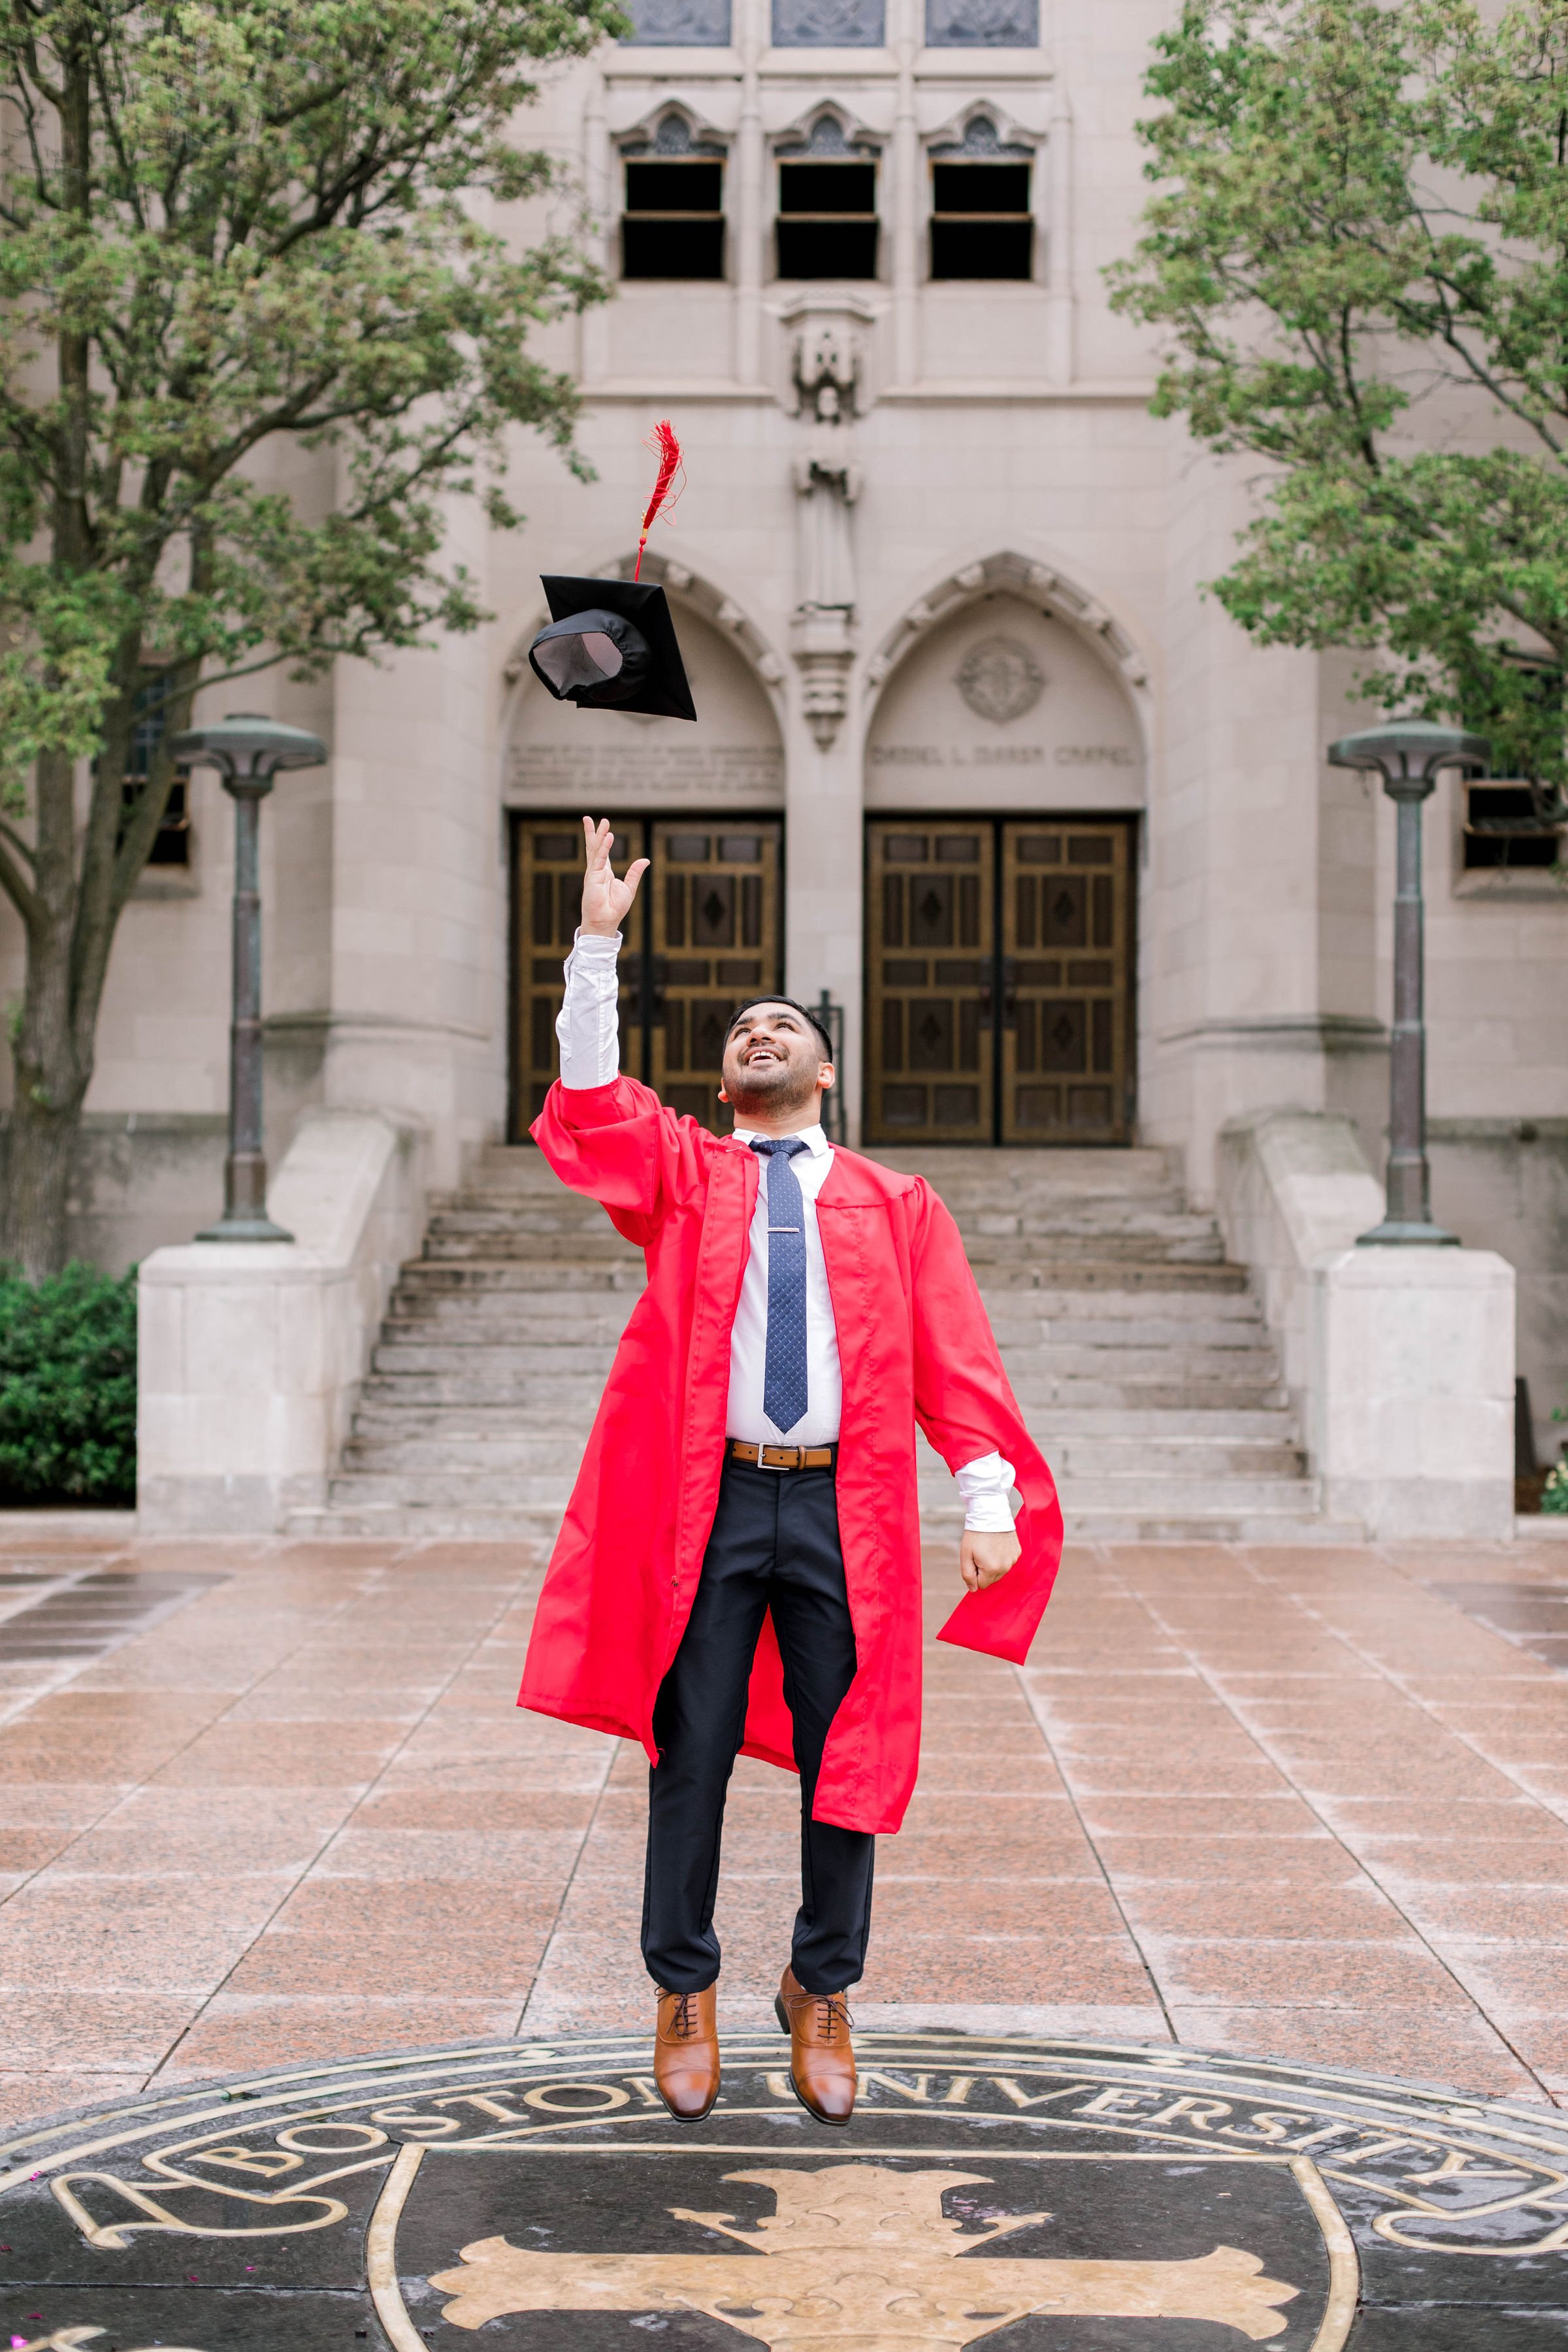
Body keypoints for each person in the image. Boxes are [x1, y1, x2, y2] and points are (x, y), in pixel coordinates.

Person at [519, 818, 1063, 2127]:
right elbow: (592, 1101)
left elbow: (957, 1362)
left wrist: (985, 1498)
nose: (758, 1034)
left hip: (838, 1503)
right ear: (722, 1085)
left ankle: (823, 1988)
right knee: (688, 1747)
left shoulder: (897, 1203)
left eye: (785, 1028)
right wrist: (598, 940)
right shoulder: (687, 1179)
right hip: (710, 1504)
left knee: (849, 1753)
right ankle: (684, 1986)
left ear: (826, 1076)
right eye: (740, 1032)